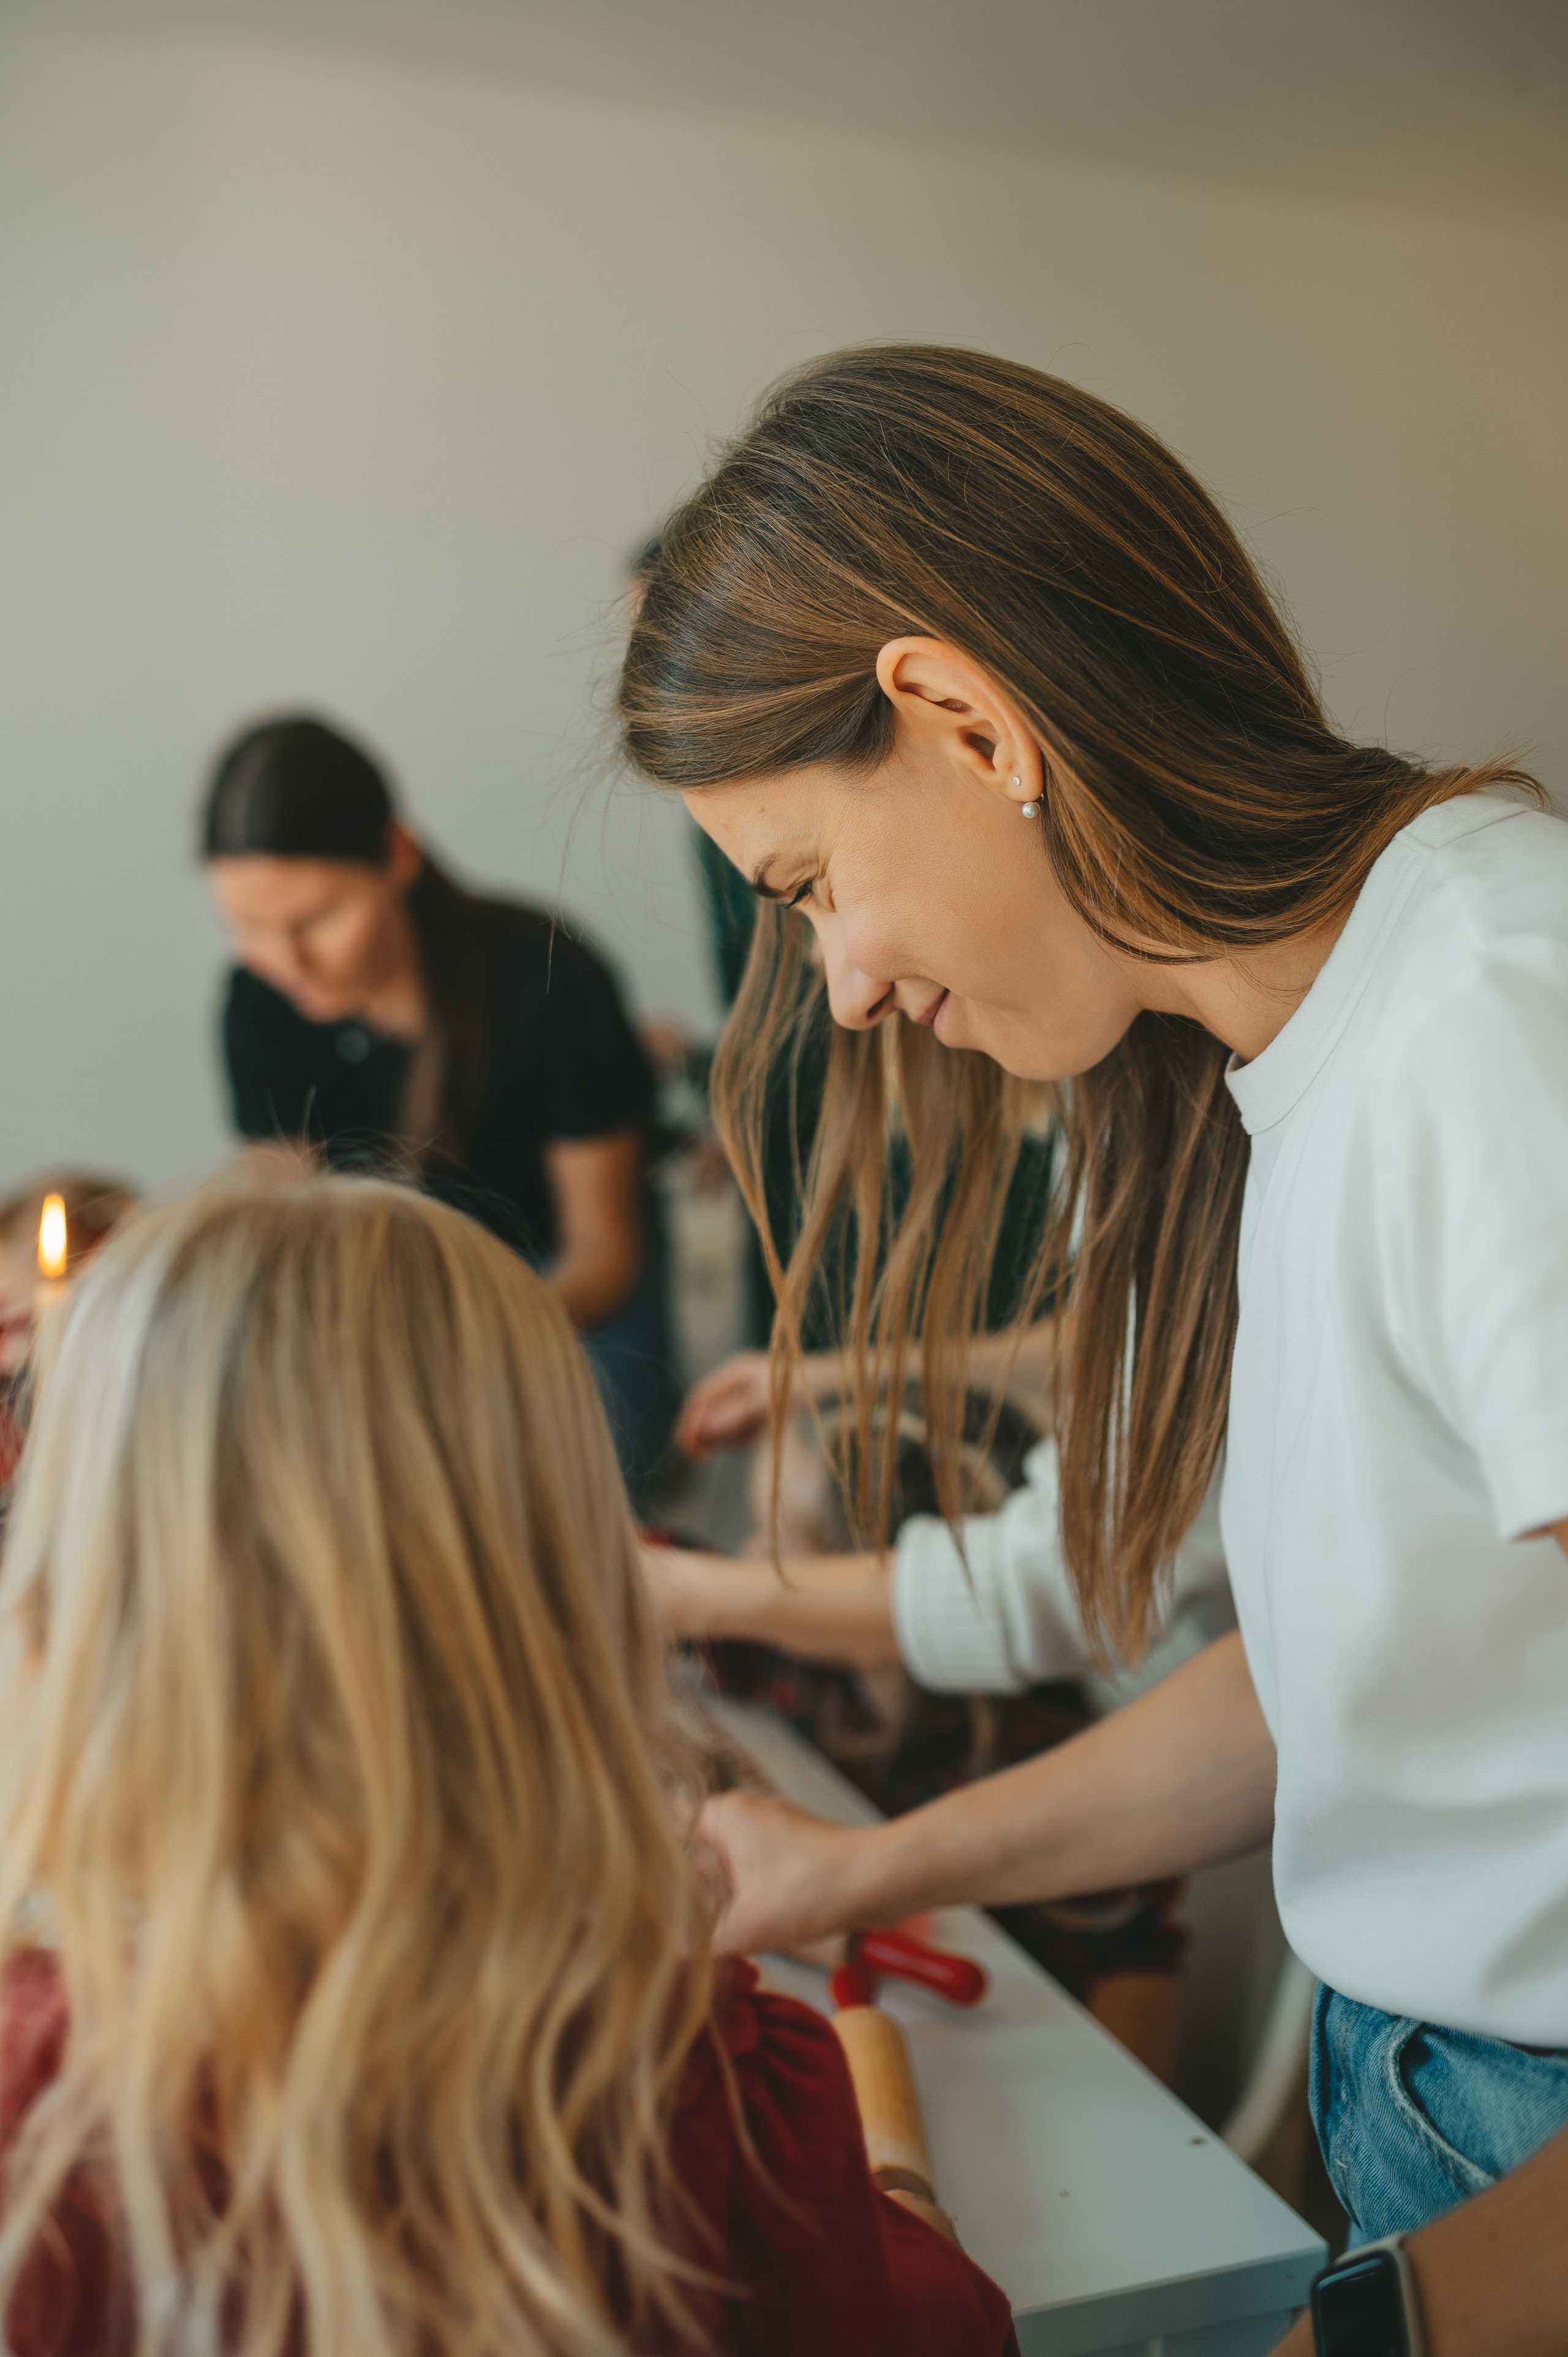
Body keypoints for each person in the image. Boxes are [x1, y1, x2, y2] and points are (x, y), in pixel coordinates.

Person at [617, 345, 1568, 2354]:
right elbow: (1344, 1699)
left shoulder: (1492, 1016)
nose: (840, 984)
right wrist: (847, 1869)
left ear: (968, 722)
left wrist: (1386, 2332)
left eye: (811, 888)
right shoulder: (1283, 1067)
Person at [0, 1176, 1019, 2357]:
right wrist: (901, 2192)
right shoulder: (712, 2094)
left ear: (70, 1606)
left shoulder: (39, 2105)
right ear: (574, 1596)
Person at [201, 714, 679, 1505]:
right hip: (385, 1295)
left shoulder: (548, 982)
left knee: (558, 1498)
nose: (287, 963)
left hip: (561, 1297)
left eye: (316, 919)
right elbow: (290, 1228)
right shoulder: (257, 1007)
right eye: (247, 928)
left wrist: (442, 1342)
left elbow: (604, 1255)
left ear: (397, 854)